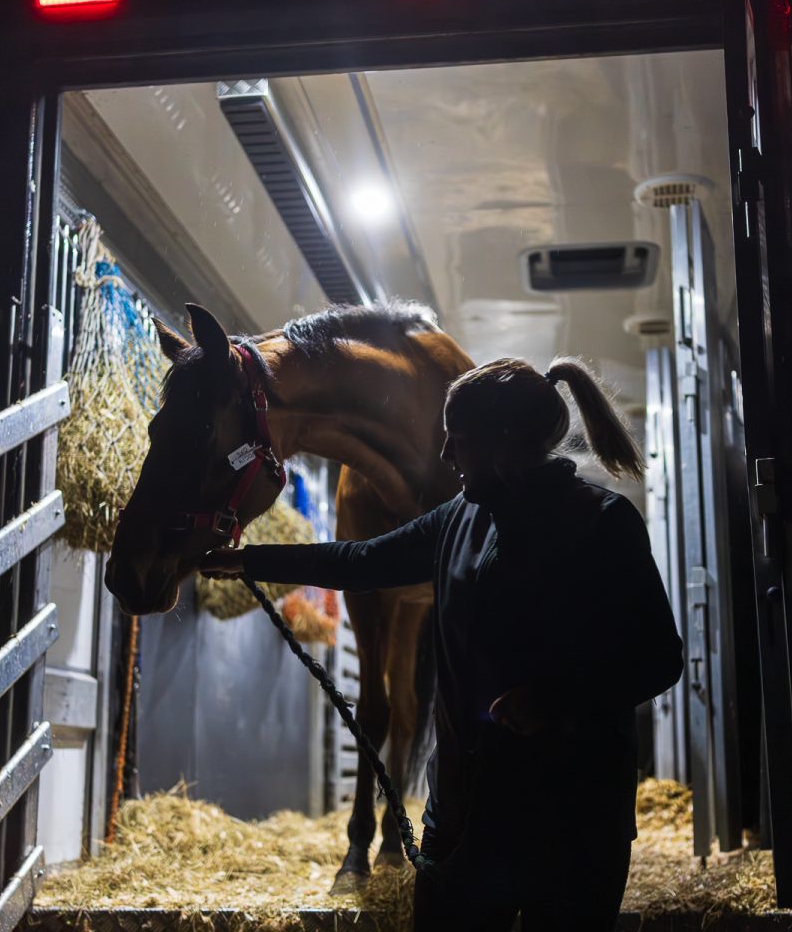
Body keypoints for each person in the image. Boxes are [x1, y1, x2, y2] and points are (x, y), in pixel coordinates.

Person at [200, 357, 684, 931]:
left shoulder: (605, 522)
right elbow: (365, 559)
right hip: (462, 816)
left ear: (502, 440)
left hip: (574, 822)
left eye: (458, 437)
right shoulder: (461, 517)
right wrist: (249, 559)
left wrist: (553, 700)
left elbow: (659, 655)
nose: (447, 454)